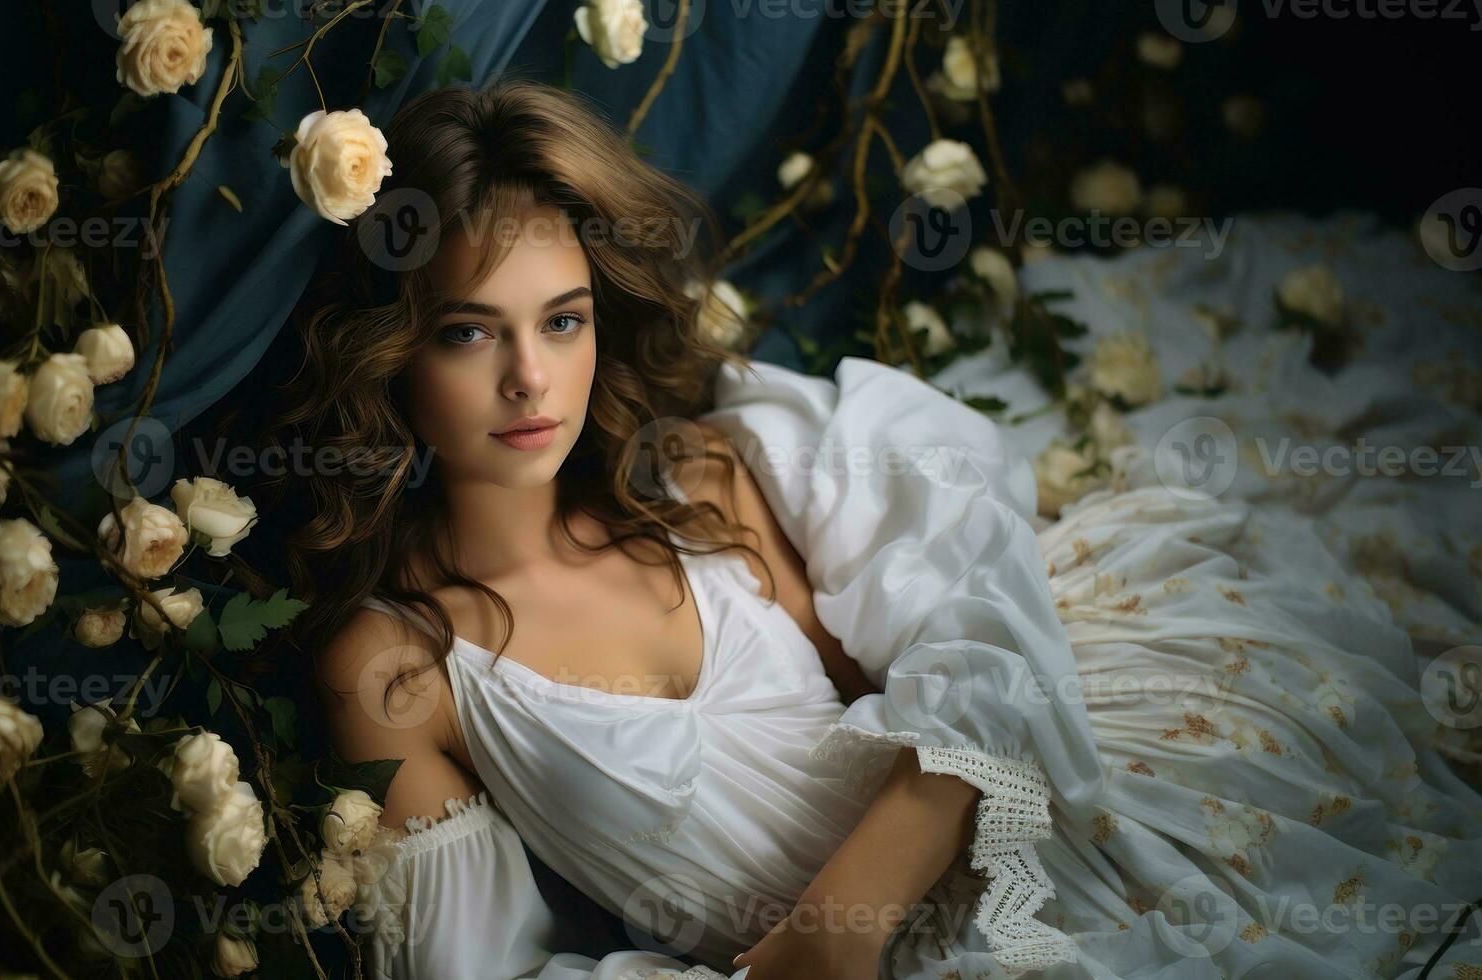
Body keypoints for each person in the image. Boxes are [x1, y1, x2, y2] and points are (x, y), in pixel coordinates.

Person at [277, 79, 1482, 979]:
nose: (533, 381)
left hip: (1016, 825)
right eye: (471, 331)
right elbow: (490, 966)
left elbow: (921, 681)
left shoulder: (694, 476)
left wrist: (834, 929)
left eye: (565, 320)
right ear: (392, 352)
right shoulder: (394, 667)